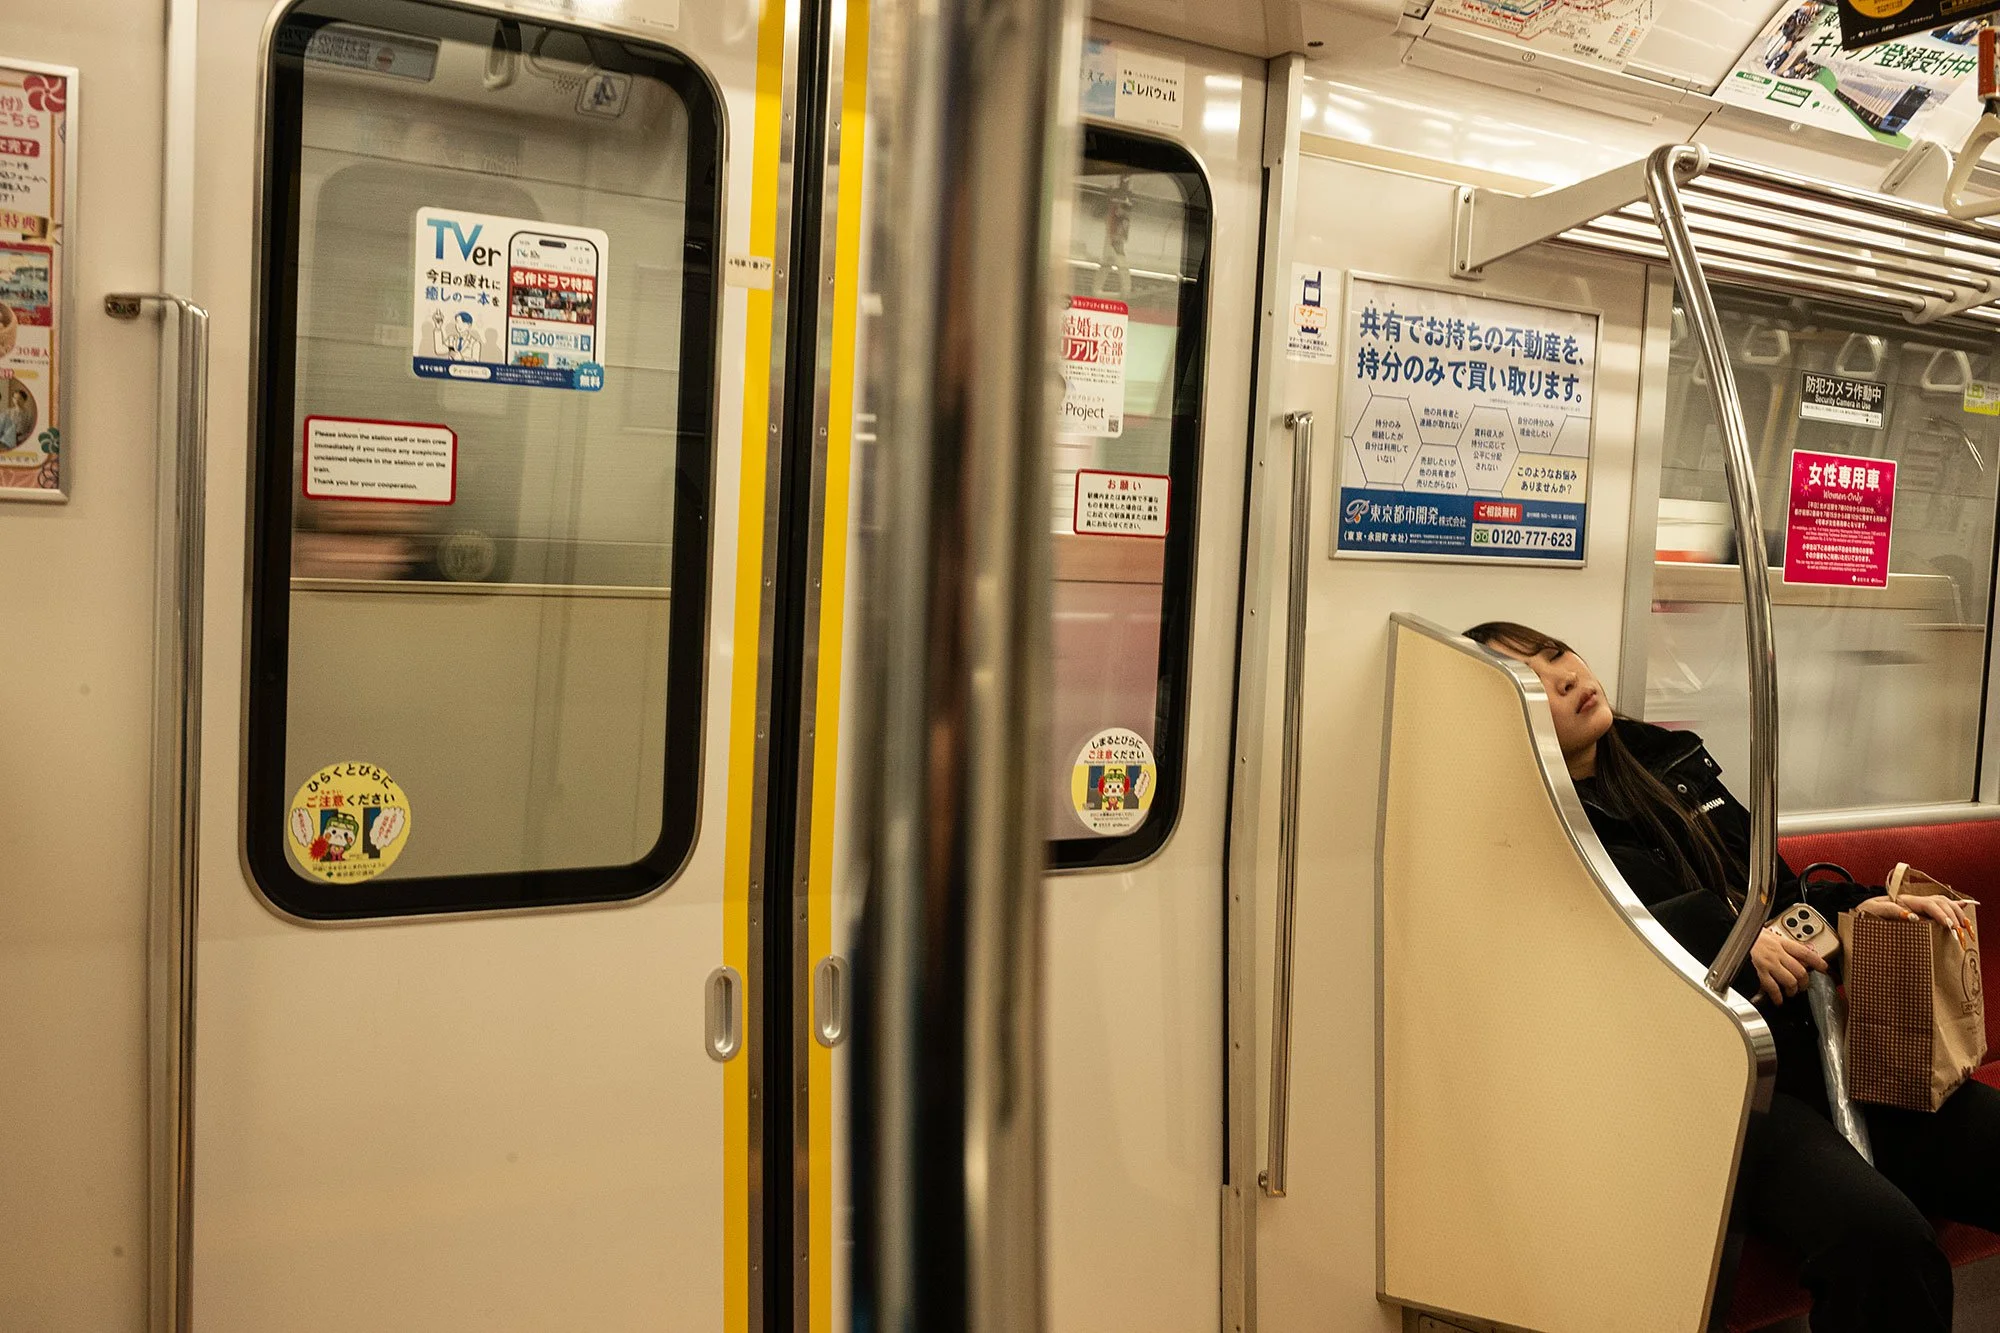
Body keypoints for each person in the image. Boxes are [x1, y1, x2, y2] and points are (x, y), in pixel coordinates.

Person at [1464, 620, 2000, 1333]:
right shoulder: (1532, 831)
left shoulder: (1670, 764)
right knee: (1882, 1243)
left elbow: (1775, 893)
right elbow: (1605, 956)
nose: (1564, 676)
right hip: (1710, 1093)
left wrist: (1864, 899)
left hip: (1811, 1043)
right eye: (1533, 680)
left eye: (1557, 653)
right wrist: (1733, 942)